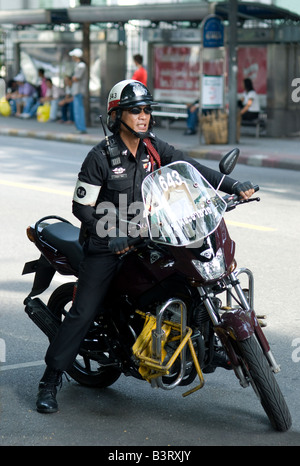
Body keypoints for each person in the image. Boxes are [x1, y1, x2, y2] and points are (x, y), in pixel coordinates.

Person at [35, 79, 255, 414]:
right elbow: (82, 209)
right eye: (136, 110)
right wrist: (112, 235)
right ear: (117, 115)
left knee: (189, 278)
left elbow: (189, 168)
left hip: (149, 237)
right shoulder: (100, 157)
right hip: (107, 245)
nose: (143, 116)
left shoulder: (153, 147)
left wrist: (232, 184)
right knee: (83, 312)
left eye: (147, 110)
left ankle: (201, 343)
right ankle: (49, 381)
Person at [69, 48, 87, 134]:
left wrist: (72, 78)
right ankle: (79, 127)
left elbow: (76, 78)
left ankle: (81, 128)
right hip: (76, 91)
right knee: (77, 110)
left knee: (79, 110)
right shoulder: (78, 65)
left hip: (79, 90)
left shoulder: (81, 65)